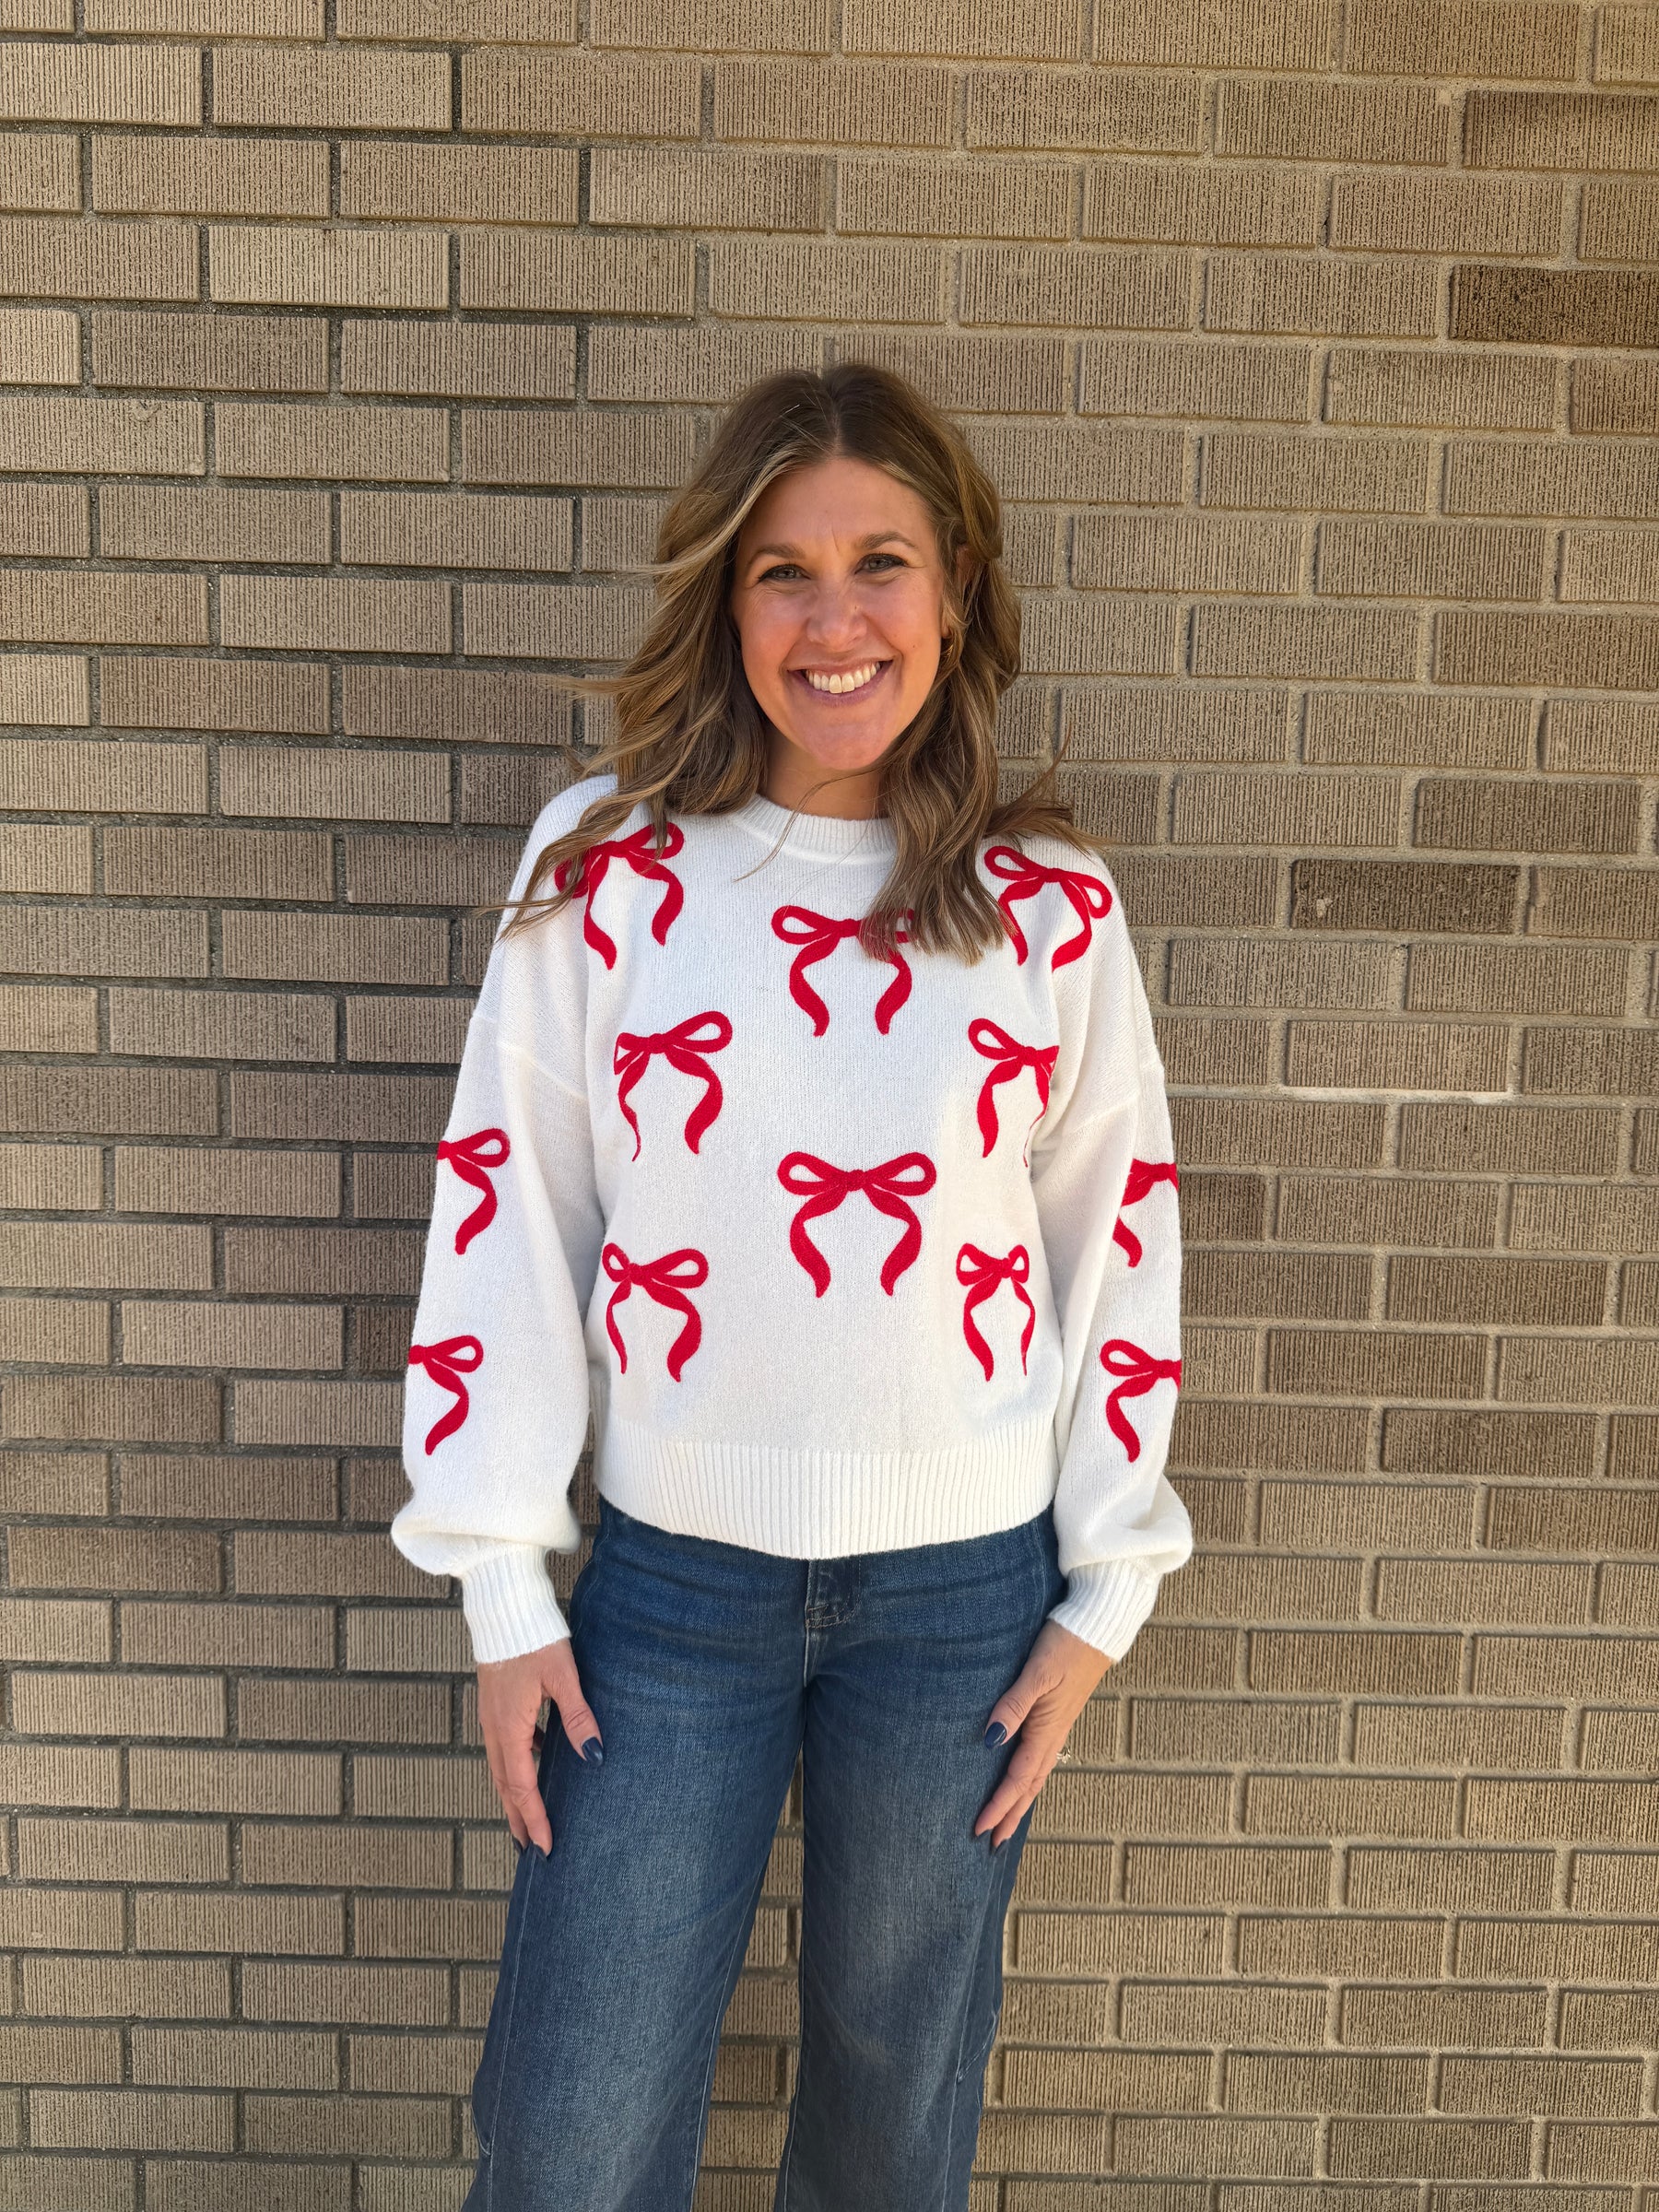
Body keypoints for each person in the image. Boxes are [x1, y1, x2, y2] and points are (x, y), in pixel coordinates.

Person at [389, 360, 1192, 2212]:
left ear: (957, 593)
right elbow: (510, 1212)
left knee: (891, 2137)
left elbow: (1117, 1238)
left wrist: (1102, 1597)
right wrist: (504, 1585)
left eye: (882, 564)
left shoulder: (1047, 907)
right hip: (668, 1600)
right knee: (572, 2139)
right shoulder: (605, 874)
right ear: (722, 599)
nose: (837, 621)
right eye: (782, 571)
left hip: (965, 1612)